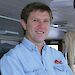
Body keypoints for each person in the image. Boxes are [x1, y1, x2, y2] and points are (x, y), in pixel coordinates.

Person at [0, 2, 74, 75]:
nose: (41, 26)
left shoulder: (58, 55)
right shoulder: (11, 59)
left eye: (46, 21)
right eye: (35, 20)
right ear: (24, 24)